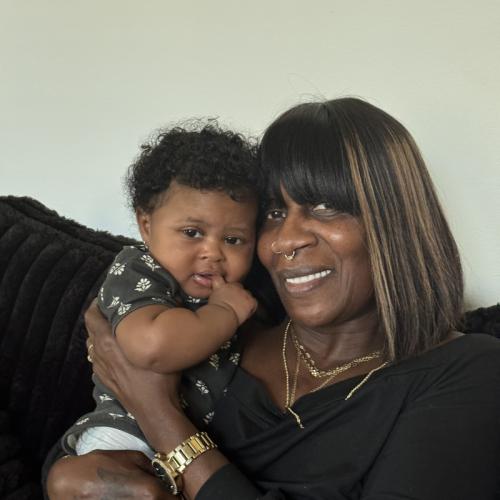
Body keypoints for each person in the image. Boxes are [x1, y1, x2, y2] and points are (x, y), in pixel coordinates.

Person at [46, 98, 500, 499]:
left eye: (324, 207)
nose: (285, 239)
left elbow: (149, 423)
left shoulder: (468, 372)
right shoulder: (221, 333)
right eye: (275, 212)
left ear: (393, 221)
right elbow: (92, 461)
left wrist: (158, 412)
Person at [61, 121, 260, 460]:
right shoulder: (137, 270)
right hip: (127, 433)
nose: (213, 252)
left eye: (233, 239)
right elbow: (152, 347)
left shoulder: (239, 290)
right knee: (96, 479)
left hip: (198, 444)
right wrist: (224, 312)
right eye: (192, 232)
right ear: (146, 225)